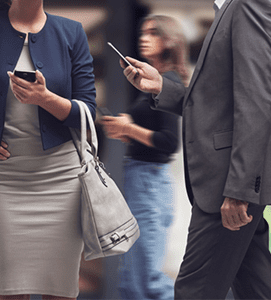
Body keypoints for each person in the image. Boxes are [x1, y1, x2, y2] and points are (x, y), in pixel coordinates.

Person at [119, 0, 271, 299]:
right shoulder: (228, 10)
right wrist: (160, 87)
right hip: (227, 183)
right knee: (256, 289)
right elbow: (211, 106)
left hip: (228, 186)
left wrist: (240, 189)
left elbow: (257, 101)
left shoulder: (248, 5)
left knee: (192, 291)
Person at [0, 0, 96, 299]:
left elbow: (88, 111)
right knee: (10, 292)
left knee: (59, 292)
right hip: (6, 181)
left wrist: (45, 98)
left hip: (63, 181)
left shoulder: (71, 32)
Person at [99, 15, 188, 300]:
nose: (143, 37)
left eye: (153, 33)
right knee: (131, 280)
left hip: (149, 183)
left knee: (146, 281)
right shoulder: (151, 83)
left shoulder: (169, 82)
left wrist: (129, 129)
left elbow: (168, 143)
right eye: (142, 32)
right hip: (139, 179)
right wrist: (126, 129)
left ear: (168, 41)